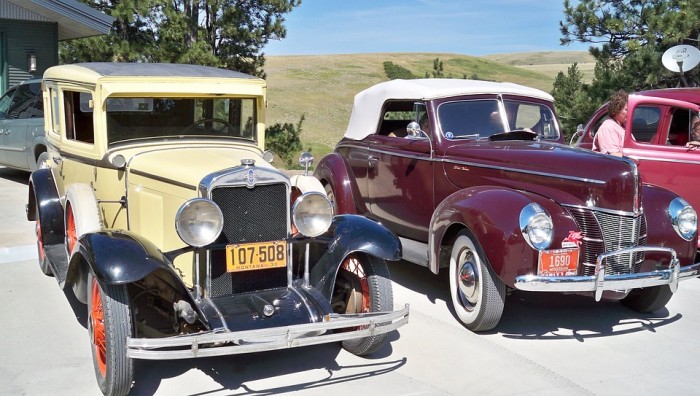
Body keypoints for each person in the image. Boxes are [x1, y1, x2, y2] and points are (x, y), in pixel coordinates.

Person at [592, 90, 628, 157]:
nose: (629, 113)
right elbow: (612, 156)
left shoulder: (623, 126)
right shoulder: (608, 128)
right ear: (617, 109)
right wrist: (633, 157)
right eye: (626, 110)